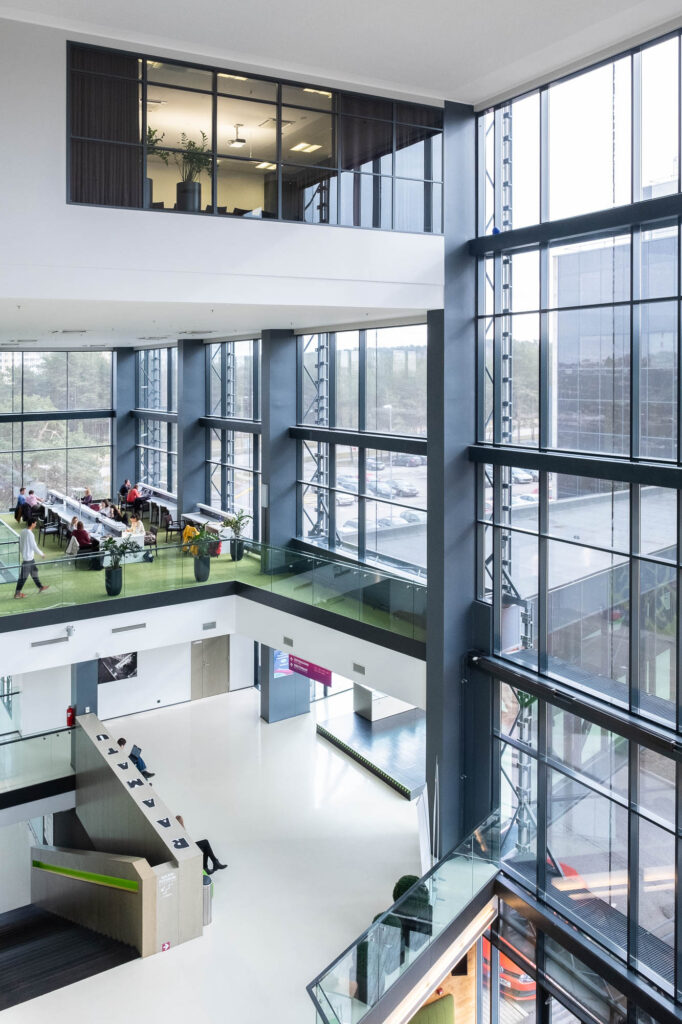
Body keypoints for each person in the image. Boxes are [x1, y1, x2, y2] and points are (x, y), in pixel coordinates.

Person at [14, 520, 50, 599]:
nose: (36, 524)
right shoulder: (30, 534)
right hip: (28, 559)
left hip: (28, 558)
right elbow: (34, 546)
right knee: (23, 577)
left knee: (34, 572)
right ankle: (17, 594)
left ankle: (40, 587)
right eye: (35, 523)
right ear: (32, 523)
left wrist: (22, 552)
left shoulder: (23, 531)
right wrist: (41, 554)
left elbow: (20, 543)